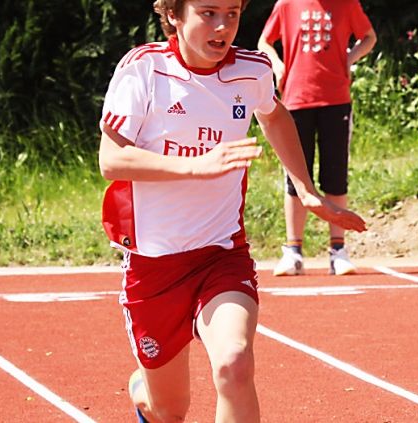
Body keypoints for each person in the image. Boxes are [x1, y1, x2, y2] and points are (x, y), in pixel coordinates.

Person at [99, 0, 367, 421]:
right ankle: (144, 392)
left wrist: (306, 188)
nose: (222, 27)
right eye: (208, 13)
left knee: (234, 364)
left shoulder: (252, 70)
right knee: (169, 410)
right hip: (154, 266)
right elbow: (111, 160)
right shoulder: (144, 70)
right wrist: (194, 165)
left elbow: (275, 117)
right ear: (174, 14)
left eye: (232, 14)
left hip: (220, 254)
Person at [259, 0, 376, 276]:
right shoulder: (287, 4)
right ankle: (293, 250)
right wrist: (277, 64)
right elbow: (264, 41)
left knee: (335, 176)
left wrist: (349, 58)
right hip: (296, 99)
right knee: (296, 176)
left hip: (336, 98)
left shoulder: (347, 4)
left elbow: (369, 37)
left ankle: (338, 250)